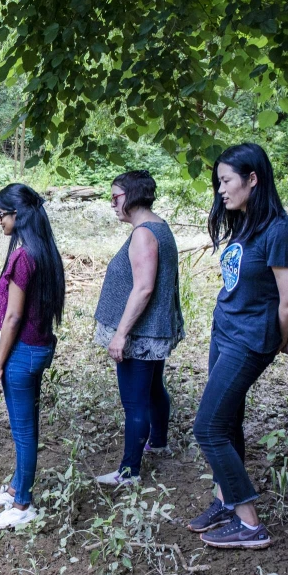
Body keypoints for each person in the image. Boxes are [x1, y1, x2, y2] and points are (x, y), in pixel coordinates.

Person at [188, 143, 288, 550]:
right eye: (218, 182)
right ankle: (225, 499)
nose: (220, 190)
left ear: (253, 179)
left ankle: (249, 523)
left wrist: (277, 337)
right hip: (226, 331)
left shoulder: (279, 231)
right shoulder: (246, 223)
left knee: (207, 428)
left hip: (249, 340)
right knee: (227, 421)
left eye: (226, 181)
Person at [0, 183, 65, 530]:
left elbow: (13, 317)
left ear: (17, 215)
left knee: (23, 432)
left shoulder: (22, 256)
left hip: (23, 353)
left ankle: (23, 503)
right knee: (25, 426)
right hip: (40, 347)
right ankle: (16, 485)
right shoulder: (45, 251)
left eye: (2, 213)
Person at [92, 171, 184, 486]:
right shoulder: (158, 226)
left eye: (115, 197)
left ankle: (129, 471)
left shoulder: (144, 233)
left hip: (141, 334)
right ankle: (158, 442)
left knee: (135, 402)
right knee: (154, 389)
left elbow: (143, 288)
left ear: (132, 195)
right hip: (153, 330)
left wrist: (120, 334)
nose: (112, 203)